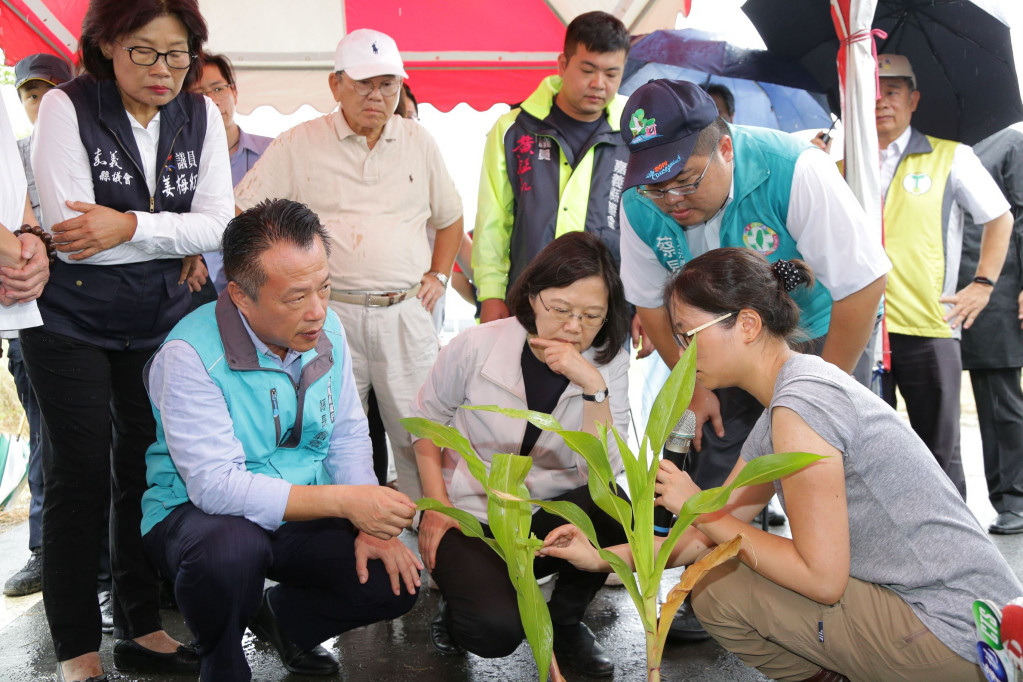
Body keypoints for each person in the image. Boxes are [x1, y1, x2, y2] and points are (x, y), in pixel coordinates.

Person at [543, 247, 1023, 681]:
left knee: (720, 591)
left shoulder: (801, 407)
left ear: (747, 325)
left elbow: (821, 579)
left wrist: (702, 508)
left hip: (954, 633)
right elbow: (692, 537)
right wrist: (600, 557)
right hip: (969, 621)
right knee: (717, 574)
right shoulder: (790, 399)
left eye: (690, 336)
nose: (682, 355)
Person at [618, 79, 889, 640]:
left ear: (724, 146)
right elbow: (648, 302)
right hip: (713, 342)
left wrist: (818, 392)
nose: (672, 200)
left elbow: (862, 286)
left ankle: (858, 596)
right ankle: (708, 586)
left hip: (817, 334)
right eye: (656, 188)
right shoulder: (638, 203)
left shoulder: (795, 170)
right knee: (720, 455)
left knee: (823, 466)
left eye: (685, 181)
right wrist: (693, 385)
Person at [22, 0, 234, 679]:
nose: (163, 70)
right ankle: (76, 646)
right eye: (144, 50)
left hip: (161, 323)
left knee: (146, 475)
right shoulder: (66, 106)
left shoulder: (199, 115)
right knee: (78, 475)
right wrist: (162, 234)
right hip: (69, 323)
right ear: (107, 44)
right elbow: (72, 237)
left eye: (178, 54)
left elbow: (218, 226)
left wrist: (131, 228)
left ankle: (141, 626)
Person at [141, 198, 420, 682]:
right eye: (295, 298)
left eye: (325, 288)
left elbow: (348, 429)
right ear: (240, 296)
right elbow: (215, 486)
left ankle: (284, 622)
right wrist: (347, 501)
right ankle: (222, 661)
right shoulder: (188, 355)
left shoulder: (326, 329)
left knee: (396, 581)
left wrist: (372, 521)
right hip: (199, 516)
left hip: (301, 505)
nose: (317, 312)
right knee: (231, 551)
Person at [235, 28, 463, 503]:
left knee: (423, 433)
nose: (377, 96)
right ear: (335, 84)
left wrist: (439, 276)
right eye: (364, 83)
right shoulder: (298, 143)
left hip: (405, 311)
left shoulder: (419, 141)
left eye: (388, 84)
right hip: (329, 315)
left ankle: (436, 541)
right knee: (333, 432)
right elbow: (246, 213)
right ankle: (344, 539)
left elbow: (451, 216)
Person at [410, 231, 630, 678]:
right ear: (532, 296)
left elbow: (601, 471)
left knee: (616, 510)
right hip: (475, 512)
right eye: (561, 310)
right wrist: (437, 507)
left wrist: (593, 387)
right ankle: (458, 611)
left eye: (592, 316)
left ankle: (565, 621)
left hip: (554, 506)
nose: (574, 327)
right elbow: (425, 423)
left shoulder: (608, 363)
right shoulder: (476, 346)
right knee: (493, 631)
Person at [873, 54, 1013, 498]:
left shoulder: (951, 156)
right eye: (872, 92)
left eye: (892, 91)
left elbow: (999, 217)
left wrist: (983, 284)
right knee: (867, 451)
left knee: (938, 452)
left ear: (913, 99)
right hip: (861, 327)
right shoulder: (839, 163)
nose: (881, 102)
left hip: (927, 326)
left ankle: (953, 556)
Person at [472, 11, 649, 357]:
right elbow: (493, 223)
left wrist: (647, 305)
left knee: (594, 404)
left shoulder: (636, 133)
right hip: (526, 308)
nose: (599, 84)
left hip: (604, 315)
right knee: (516, 404)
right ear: (562, 63)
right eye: (587, 70)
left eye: (612, 73)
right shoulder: (513, 130)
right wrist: (490, 295)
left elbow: (648, 225)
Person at [3, 53, 73, 601]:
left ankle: (105, 561)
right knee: (45, 441)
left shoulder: (83, 154)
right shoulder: (13, 157)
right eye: (31, 93)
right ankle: (43, 553)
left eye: (52, 91)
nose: (40, 101)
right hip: (28, 320)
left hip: (85, 320)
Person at [956, 124, 1023, 533]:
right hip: (930, 289)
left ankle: (1014, 497)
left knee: (999, 398)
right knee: (935, 403)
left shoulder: (1007, 143)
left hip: (995, 288)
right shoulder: (918, 147)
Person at [188, 52, 273, 299]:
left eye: (218, 89)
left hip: (263, 285)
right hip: (201, 287)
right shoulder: (178, 163)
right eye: (200, 93)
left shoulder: (272, 152)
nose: (212, 101)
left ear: (234, 92)